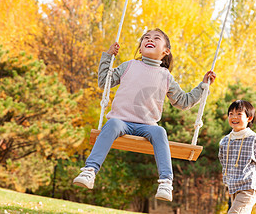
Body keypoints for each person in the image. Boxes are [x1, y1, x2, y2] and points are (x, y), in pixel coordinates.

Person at [72, 28, 216, 202]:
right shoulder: (129, 65)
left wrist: (203, 86)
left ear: (166, 51)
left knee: (160, 132)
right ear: (140, 48)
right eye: (146, 38)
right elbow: (104, 82)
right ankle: (89, 171)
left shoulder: (166, 77)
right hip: (121, 121)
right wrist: (108, 57)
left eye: (156, 38)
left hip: (147, 126)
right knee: (111, 125)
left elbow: (183, 102)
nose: (150, 39)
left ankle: (165, 182)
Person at [218, 100, 256, 214]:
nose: (234, 117)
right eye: (231, 114)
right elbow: (224, 164)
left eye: (239, 114)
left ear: (249, 118)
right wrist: (227, 184)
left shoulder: (253, 139)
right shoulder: (225, 141)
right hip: (233, 187)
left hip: (249, 186)